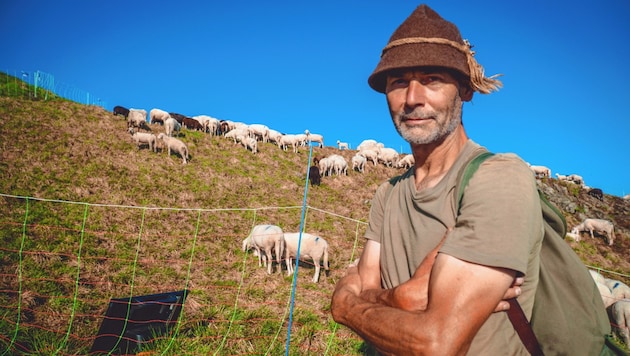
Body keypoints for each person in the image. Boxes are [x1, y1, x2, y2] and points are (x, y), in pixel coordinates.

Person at [330, 4, 544, 355]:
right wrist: (402, 297)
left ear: (464, 89)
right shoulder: (388, 193)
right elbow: (374, 284)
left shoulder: (497, 179)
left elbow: (436, 343)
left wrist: (346, 306)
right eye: (399, 82)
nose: (412, 99)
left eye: (431, 79)